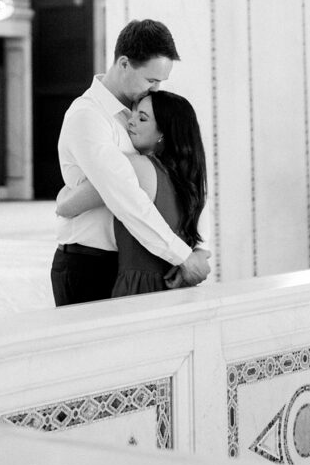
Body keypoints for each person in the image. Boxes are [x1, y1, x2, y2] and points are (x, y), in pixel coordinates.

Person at [51, 18, 210, 307]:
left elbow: (177, 179)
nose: (156, 88)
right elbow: (124, 195)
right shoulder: (88, 116)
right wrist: (183, 256)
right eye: (151, 80)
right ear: (124, 63)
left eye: (160, 81)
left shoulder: (142, 113)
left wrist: (194, 246)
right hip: (89, 263)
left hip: (134, 260)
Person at [55, 90, 207, 297]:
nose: (130, 122)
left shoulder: (135, 167)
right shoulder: (189, 179)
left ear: (163, 133)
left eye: (142, 118)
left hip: (137, 286)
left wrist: (66, 190)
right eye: (133, 113)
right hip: (172, 283)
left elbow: (65, 207)